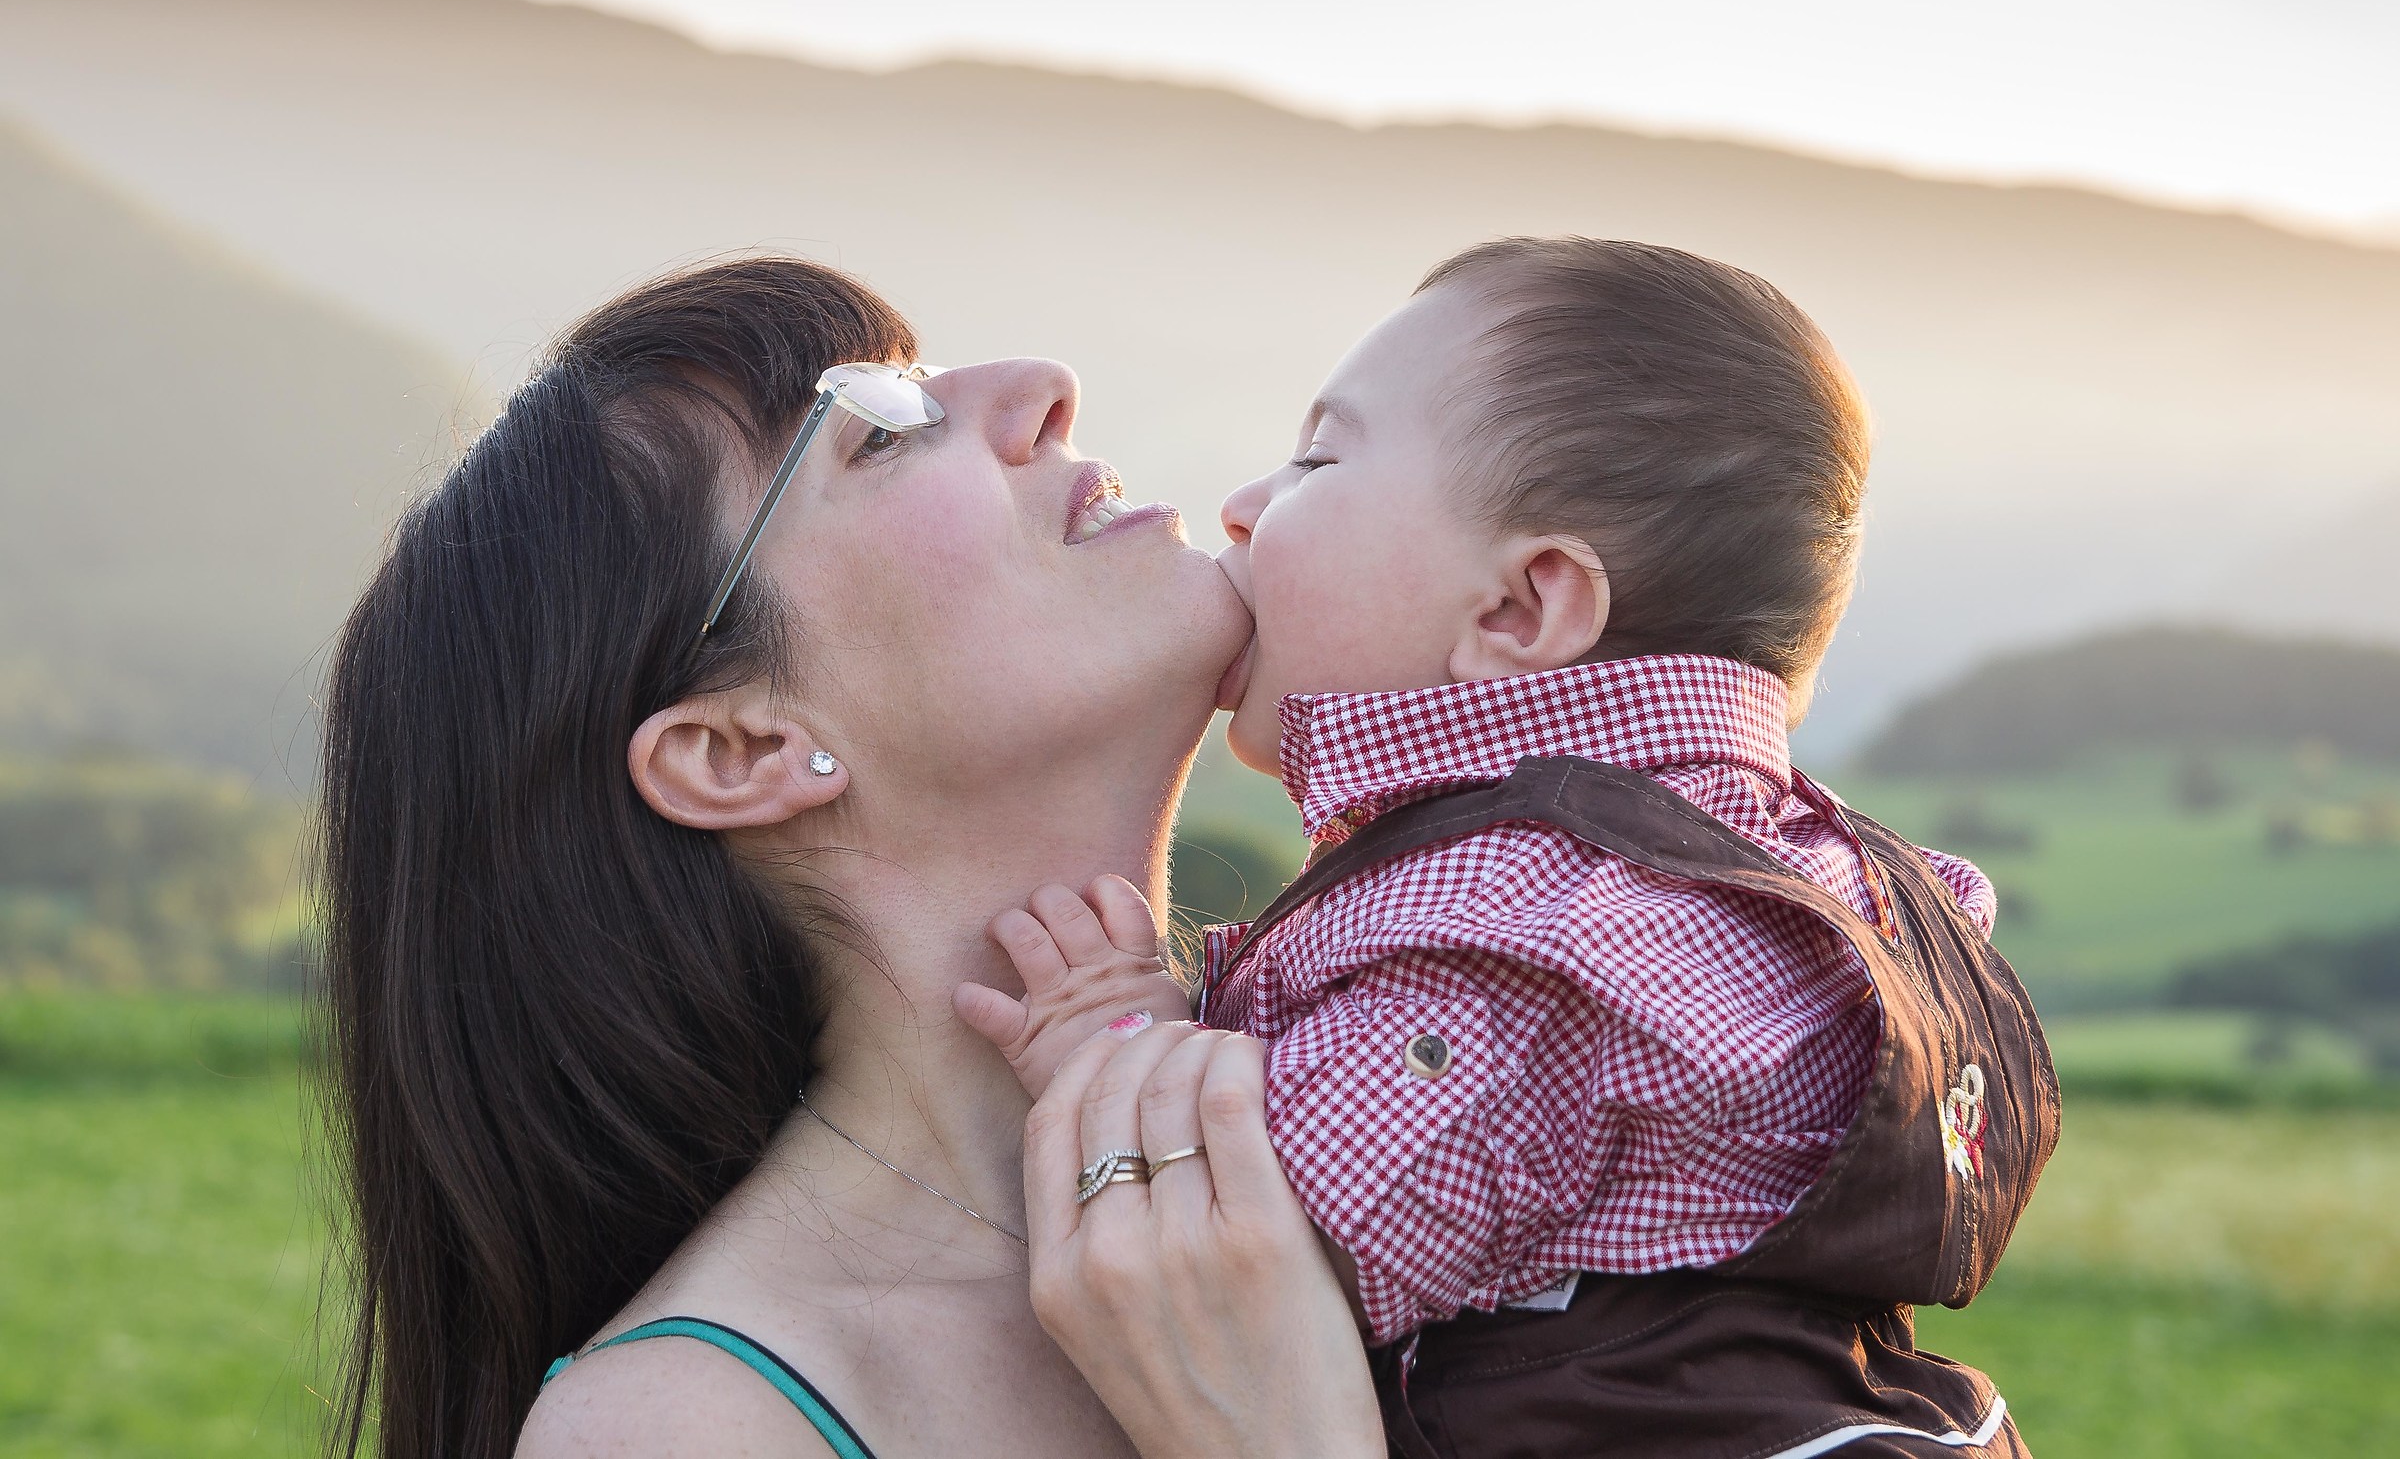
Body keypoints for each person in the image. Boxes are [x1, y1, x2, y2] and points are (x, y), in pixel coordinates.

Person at [959, 237, 2060, 1457]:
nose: (1246, 506)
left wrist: (1119, 1043)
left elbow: (1261, 1254)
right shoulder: (1791, 872)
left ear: (1521, 607)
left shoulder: (1537, 928)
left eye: (1319, 458)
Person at [313, 257, 1380, 1459]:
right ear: (742, 747)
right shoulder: (692, 1427)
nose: (1043, 387)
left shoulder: (1406, 1108)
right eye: (879, 435)